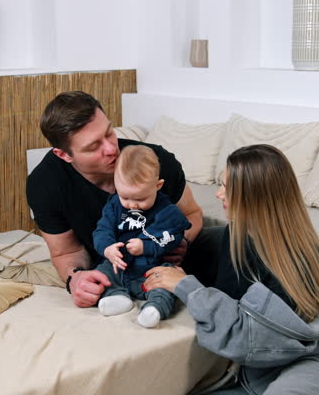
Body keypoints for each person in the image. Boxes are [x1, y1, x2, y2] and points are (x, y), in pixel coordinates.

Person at [144, 145, 319, 394]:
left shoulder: (295, 257)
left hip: (314, 362)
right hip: (259, 373)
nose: (219, 194)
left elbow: (254, 339)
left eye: (226, 187)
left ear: (251, 196)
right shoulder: (234, 237)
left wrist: (186, 286)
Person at [26, 91, 221, 308]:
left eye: (109, 133)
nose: (111, 149)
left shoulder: (155, 162)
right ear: (64, 155)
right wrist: (76, 278)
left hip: (160, 264)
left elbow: (191, 214)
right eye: (93, 147)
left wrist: (183, 240)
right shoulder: (45, 185)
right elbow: (66, 251)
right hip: (111, 269)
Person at [92, 145, 191, 328]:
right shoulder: (114, 206)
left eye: (140, 199)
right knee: (101, 273)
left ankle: (154, 308)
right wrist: (107, 249)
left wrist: (146, 245)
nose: (132, 205)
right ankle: (117, 297)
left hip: (151, 268)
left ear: (157, 186)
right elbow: (101, 230)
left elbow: (173, 236)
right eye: (126, 197)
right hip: (120, 267)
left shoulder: (166, 209)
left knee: (167, 279)